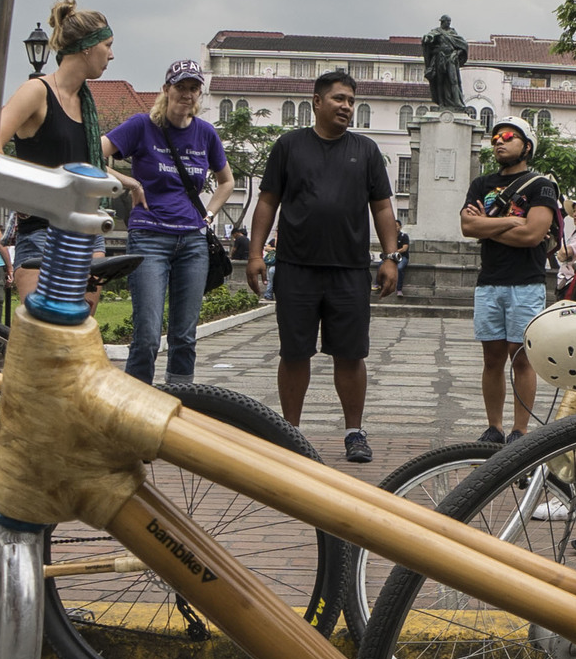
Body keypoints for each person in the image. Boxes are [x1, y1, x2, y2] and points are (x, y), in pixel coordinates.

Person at [246, 69, 399, 462]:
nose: (346, 106)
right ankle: (289, 433)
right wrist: (256, 253)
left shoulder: (365, 151)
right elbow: (267, 201)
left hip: (349, 269)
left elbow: (382, 206)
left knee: (351, 354)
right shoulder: (289, 146)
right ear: (316, 102)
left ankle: (353, 433)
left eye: (351, 100)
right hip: (297, 267)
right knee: (294, 353)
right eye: (338, 99)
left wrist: (390, 256)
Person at [0, 0, 141, 302]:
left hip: (86, 229)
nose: (111, 55)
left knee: (80, 328)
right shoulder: (37, 92)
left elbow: (82, 163)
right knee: (42, 333)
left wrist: (130, 182)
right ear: (87, 47)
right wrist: (18, 194)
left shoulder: (84, 102)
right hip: (41, 231)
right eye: (108, 45)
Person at [103, 59, 231, 386]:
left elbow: (226, 181)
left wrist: (210, 214)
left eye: (193, 89)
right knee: (146, 336)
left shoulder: (205, 134)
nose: (187, 95)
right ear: (166, 90)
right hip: (149, 238)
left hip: (192, 242)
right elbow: (92, 153)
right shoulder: (141, 126)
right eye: (181, 87)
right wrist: (129, 182)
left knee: (184, 337)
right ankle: (136, 408)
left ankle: (180, 408)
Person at [462, 116, 558, 442]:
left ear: (526, 146)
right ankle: (494, 427)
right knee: (491, 359)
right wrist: (511, 225)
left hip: (526, 283)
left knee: (521, 358)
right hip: (489, 282)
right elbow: (467, 227)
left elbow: (533, 235)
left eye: (507, 136)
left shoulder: (542, 185)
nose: (499, 142)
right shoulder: (481, 184)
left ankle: (519, 429)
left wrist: (488, 228)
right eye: (495, 139)